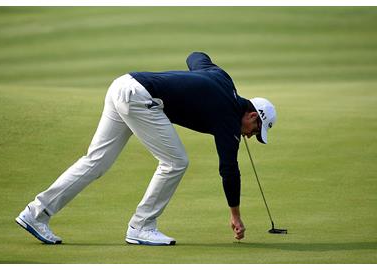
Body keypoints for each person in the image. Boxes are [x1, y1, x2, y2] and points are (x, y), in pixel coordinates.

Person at [15, 52, 276, 246]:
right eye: (254, 132)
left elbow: (196, 56)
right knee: (176, 162)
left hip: (124, 84)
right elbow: (229, 169)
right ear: (252, 116)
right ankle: (141, 226)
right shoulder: (228, 119)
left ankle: (35, 213)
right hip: (141, 98)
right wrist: (235, 216)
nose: (250, 137)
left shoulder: (223, 79)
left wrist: (202, 85)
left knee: (96, 161)